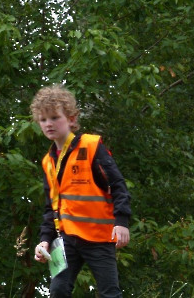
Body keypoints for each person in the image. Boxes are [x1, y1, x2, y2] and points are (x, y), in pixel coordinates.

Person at [31, 84, 132, 298]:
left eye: (55, 117)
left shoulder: (92, 147)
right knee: (57, 290)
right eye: (43, 119)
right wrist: (45, 239)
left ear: (71, 119)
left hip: (99, 238)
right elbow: (52, 207)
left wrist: (121, 222)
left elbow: (118, 186)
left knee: (109, 293)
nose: (49, 124)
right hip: (66, 239)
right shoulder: (48, 162)